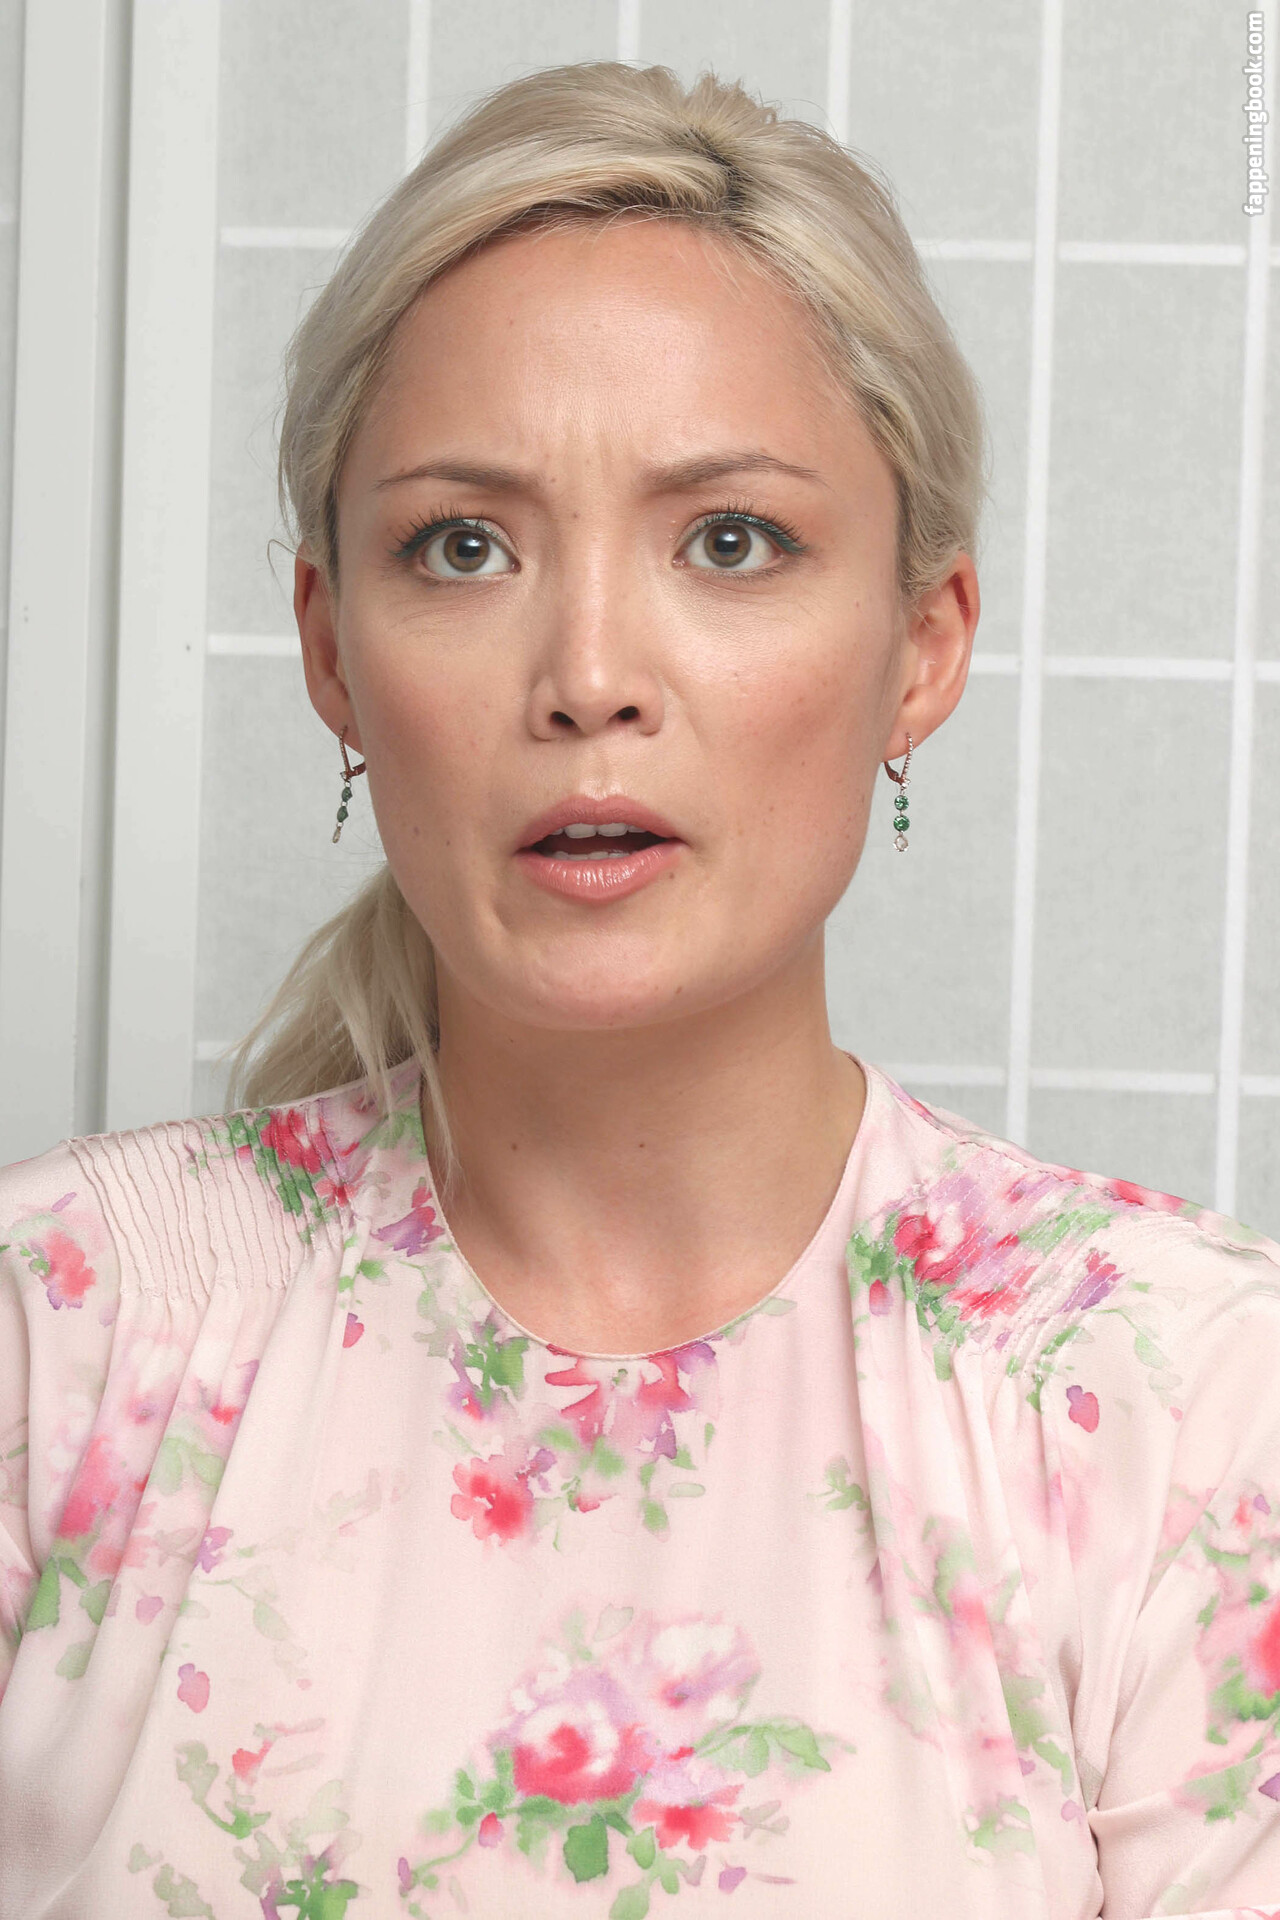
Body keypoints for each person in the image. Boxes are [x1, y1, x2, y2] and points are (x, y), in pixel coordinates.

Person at [1, 60, 1277, 1920]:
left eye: (729, 541)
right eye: (463, 546)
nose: (589, 673)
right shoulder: (56, 1340)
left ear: (922, 645)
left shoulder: (1189, 1404)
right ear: (332, 653)